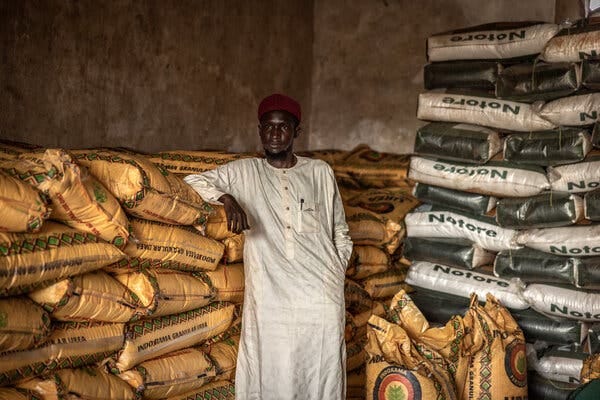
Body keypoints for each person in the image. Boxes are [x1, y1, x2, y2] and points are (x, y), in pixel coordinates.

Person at [184, 93, 353, 400]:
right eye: (268, 127)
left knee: (322, 372)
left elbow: (341, 231)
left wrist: (334, 272)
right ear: (259, 130)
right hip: (271, 298)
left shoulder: (319, 172)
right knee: (272, 371)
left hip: (320, 297)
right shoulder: (245, 172)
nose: (275, 134)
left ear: (296, 132)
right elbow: (192, 180)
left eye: (283, 127)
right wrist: (227, 198)